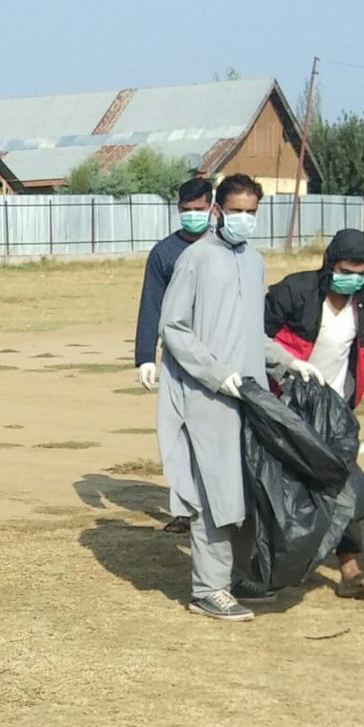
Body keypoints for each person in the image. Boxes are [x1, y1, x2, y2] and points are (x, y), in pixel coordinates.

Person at [157, 173, 323, 621]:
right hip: (206, 396)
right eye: (236, 211)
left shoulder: (254, 262)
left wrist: (288, 362)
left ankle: (235, 575)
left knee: (248, 484)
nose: (244, 219)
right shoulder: (196, 259)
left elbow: (252, 331)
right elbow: (173, 329)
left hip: (250, 395)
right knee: (214, 490)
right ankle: (207, 588)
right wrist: (215, 374)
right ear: (217, 211)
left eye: (252, 212)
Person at [264, 228, 364, 598]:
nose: (351, 277)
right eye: (345, 269)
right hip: (287, 406)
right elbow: (254, 335)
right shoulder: (295, 291)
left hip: (337, 410)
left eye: (361, 271)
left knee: (342, 482)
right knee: (288, 488)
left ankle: (349, 569)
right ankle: (274, 564)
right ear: (329, 265)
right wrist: (284, 369)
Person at [134, 177, 215, 534]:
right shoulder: (164, 253)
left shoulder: (226, 248)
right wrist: (145, 356)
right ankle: (183, 509)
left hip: (218, 355)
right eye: (186, 211)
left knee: (215, 434)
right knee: (175, 434)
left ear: (212, 208)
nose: (193, 217)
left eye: (199, 210)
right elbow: (151, 305)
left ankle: (219, 505)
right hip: (176, 358)